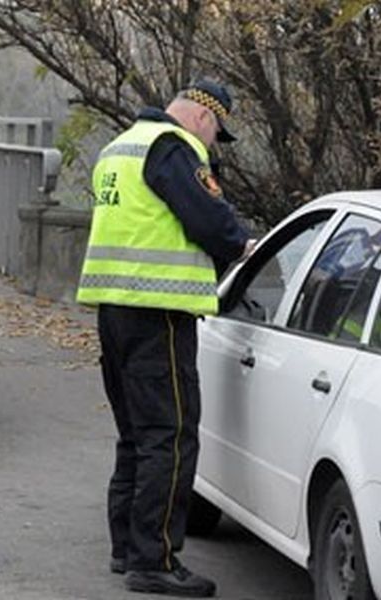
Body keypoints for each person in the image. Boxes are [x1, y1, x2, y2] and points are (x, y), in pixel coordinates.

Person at [77, 79, 254, 597]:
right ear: (203, 116)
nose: (214, 145)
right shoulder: (173, 148)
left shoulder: (119, 147)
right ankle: (155, 560)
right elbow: (211, 222)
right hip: (160, 315)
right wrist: (241, 243)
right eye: (217, 134)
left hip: (114, 310)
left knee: (136, 433)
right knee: (170, 436)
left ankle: (126, 548)